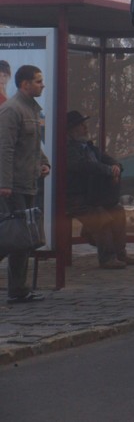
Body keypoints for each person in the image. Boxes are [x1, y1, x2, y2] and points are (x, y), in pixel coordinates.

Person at [0, 65, 51, 303]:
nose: (42, 85)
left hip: (28, 183)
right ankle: (17, 290)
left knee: (22, 240)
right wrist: (4, 183)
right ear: (25, 84)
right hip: (13, 186)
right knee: (14, 237)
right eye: (38, 81)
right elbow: (5, 149)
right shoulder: (11, 110)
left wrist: (44, 163)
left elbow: (32, 145)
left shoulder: (31, 108)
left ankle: (18, 290)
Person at [66, 110, 134, 269]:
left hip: (92, 196)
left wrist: (116, 167)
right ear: (71, 130)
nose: (85, 128)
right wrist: (108, 171)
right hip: (75, 198)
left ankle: (120, 254)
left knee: (117, 212)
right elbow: (84, 166)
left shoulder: (88, 147)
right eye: (81, 125)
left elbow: (107, 159)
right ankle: (107, 258)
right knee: (101, 219)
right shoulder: (69, 150)